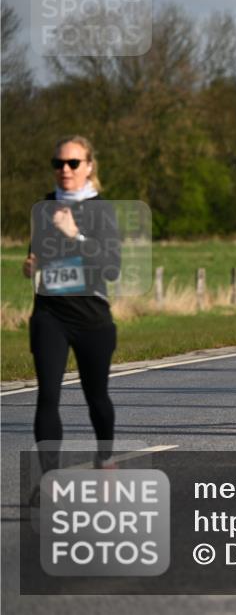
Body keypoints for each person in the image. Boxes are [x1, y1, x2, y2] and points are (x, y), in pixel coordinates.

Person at [23, 135, 121, 481]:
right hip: (50, 315)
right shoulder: (44, 207)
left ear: (89, 167)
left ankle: (105, 456)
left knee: (96, 396)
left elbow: (112, 267)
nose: (65, 170)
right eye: (58, 163)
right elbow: (40, 257)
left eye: (73, 163)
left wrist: (76, 235)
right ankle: (49, 479)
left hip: (92, 318)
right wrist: (32, 267)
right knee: (47, 394)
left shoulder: (102, 210)